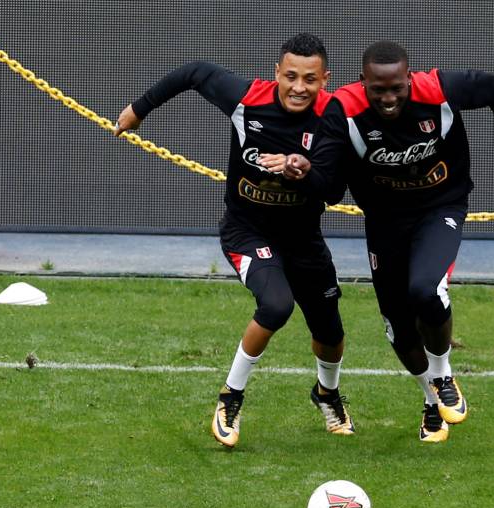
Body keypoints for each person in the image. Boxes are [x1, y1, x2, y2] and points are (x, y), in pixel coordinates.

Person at [284, 41, 494, 443]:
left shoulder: (438, 89)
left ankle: (443, 374)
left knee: (425, 288)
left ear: (409, 78)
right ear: (363, 82)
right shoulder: (343, 110)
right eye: (378, 90)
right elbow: (331, 190)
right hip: (385, 221)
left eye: (396, 89)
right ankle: (430, 400)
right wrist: (303, 171)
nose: (388, 99)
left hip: (441, 206)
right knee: (399, 329)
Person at [114, 33, 354, 448]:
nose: (299, 87)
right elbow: (193, 72)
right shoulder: (248, 99)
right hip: (247, 231)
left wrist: (302, 169)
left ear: (325, 80)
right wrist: (138, 110)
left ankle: (327, 394)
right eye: (291, 76)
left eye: (310, 79)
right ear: (277, 72)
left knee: (330, 332)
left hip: (303, 237)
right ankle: (230, 397)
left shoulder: (333, 115)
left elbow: (333, 192)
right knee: (276, 304)